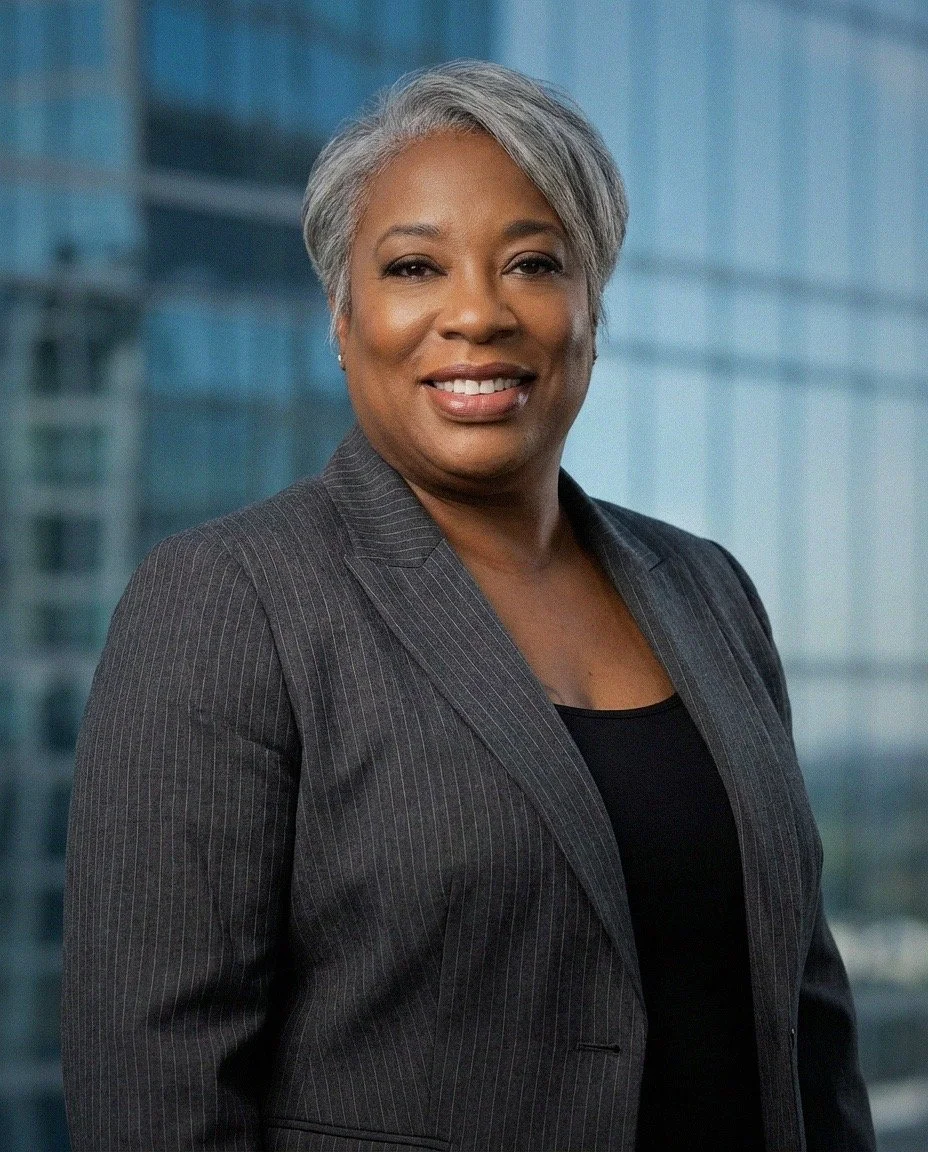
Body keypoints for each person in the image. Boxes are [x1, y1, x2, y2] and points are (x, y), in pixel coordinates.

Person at [62, 61, 875, 1151]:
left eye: (533, 263)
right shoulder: (226, 601)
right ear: (342, 319)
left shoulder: (710, 589)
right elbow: (155, 1094)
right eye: (414, 267)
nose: (478, 313)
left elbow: (807, 1015)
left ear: (591, 312)